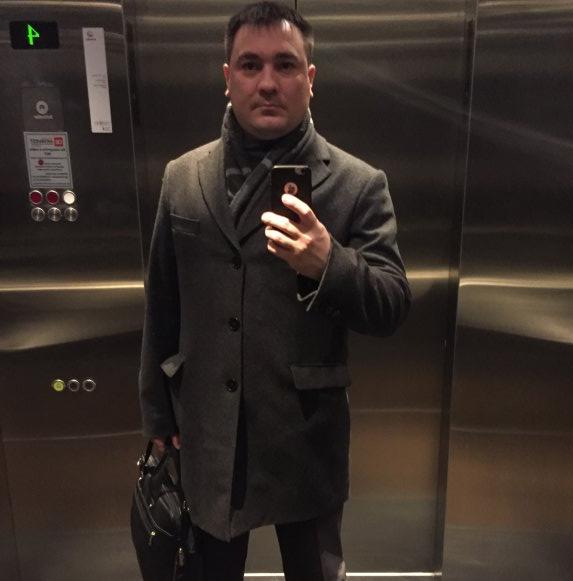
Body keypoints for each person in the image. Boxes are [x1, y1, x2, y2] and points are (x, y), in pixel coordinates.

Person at [138, 2, 411, 580]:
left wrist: (329, 263)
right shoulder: (182, 177)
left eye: (285, 65)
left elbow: (391, 303)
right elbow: (161, 303)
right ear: (227, 77)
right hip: (207, 429)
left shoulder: (358, 183)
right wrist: (156, 414)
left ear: (309, 78)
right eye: (250, 64)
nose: (267, 82)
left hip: (305, 434)